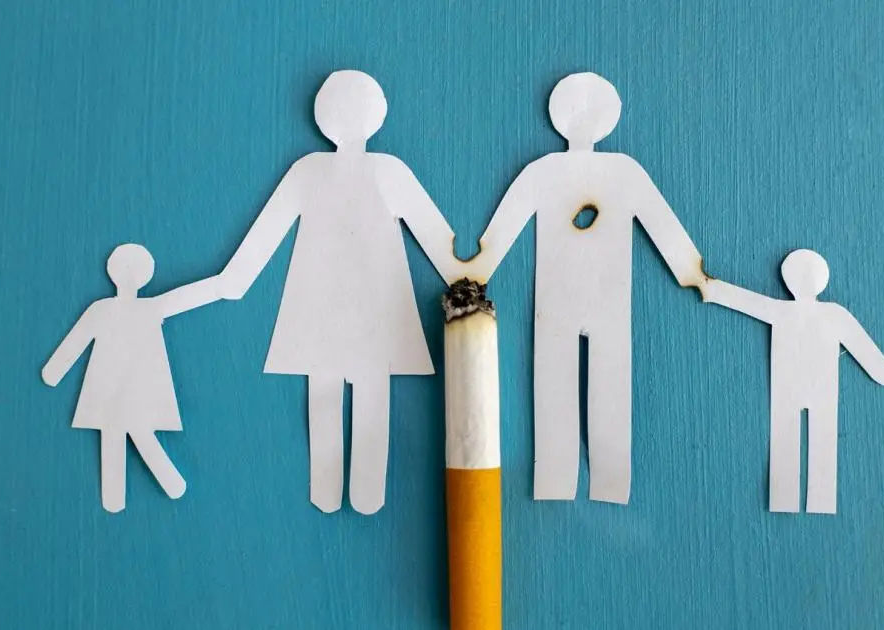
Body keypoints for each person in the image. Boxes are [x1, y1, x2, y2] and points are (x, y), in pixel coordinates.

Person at [219, 70, 460, 515]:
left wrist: (230, 282)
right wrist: (468, 275)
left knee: (332, 392)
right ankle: (357, 494)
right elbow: (442, 244)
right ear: (376, 116)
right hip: (360, 312)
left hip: (330, 311)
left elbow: (259, 244)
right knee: (365, 393)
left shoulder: (314, 171)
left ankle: (335, 492)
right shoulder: (382, 171)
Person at [463, 72, 706, 503]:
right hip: (564, 297)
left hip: (597, 297)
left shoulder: (573, 171)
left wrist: (693, 273)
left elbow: (663, 226)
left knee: (588, 379)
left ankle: (591, 480)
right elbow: (502, 231)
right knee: (567, 378)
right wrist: (693, 274)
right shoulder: (595, 171)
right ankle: (563, 479)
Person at [700, 249, 884, 514]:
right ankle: (805, 499)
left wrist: (710, 287)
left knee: (792, 442)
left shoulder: (784, 311)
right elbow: (870, 356)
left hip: (791, 389)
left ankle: (791, 499)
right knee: (816, 441)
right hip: (815, 390)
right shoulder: (831, 313)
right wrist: (881, 372)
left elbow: (746, 301)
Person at [42, 243, 224, 513]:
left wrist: (54, 372)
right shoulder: (134, 308)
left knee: (123, 432)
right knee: (123, 432)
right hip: (117, 389)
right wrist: (54, 371)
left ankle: (152, 489)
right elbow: (76, 341)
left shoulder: (113, 308)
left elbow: (186, 297)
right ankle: (155, 488)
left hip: (121, 389)